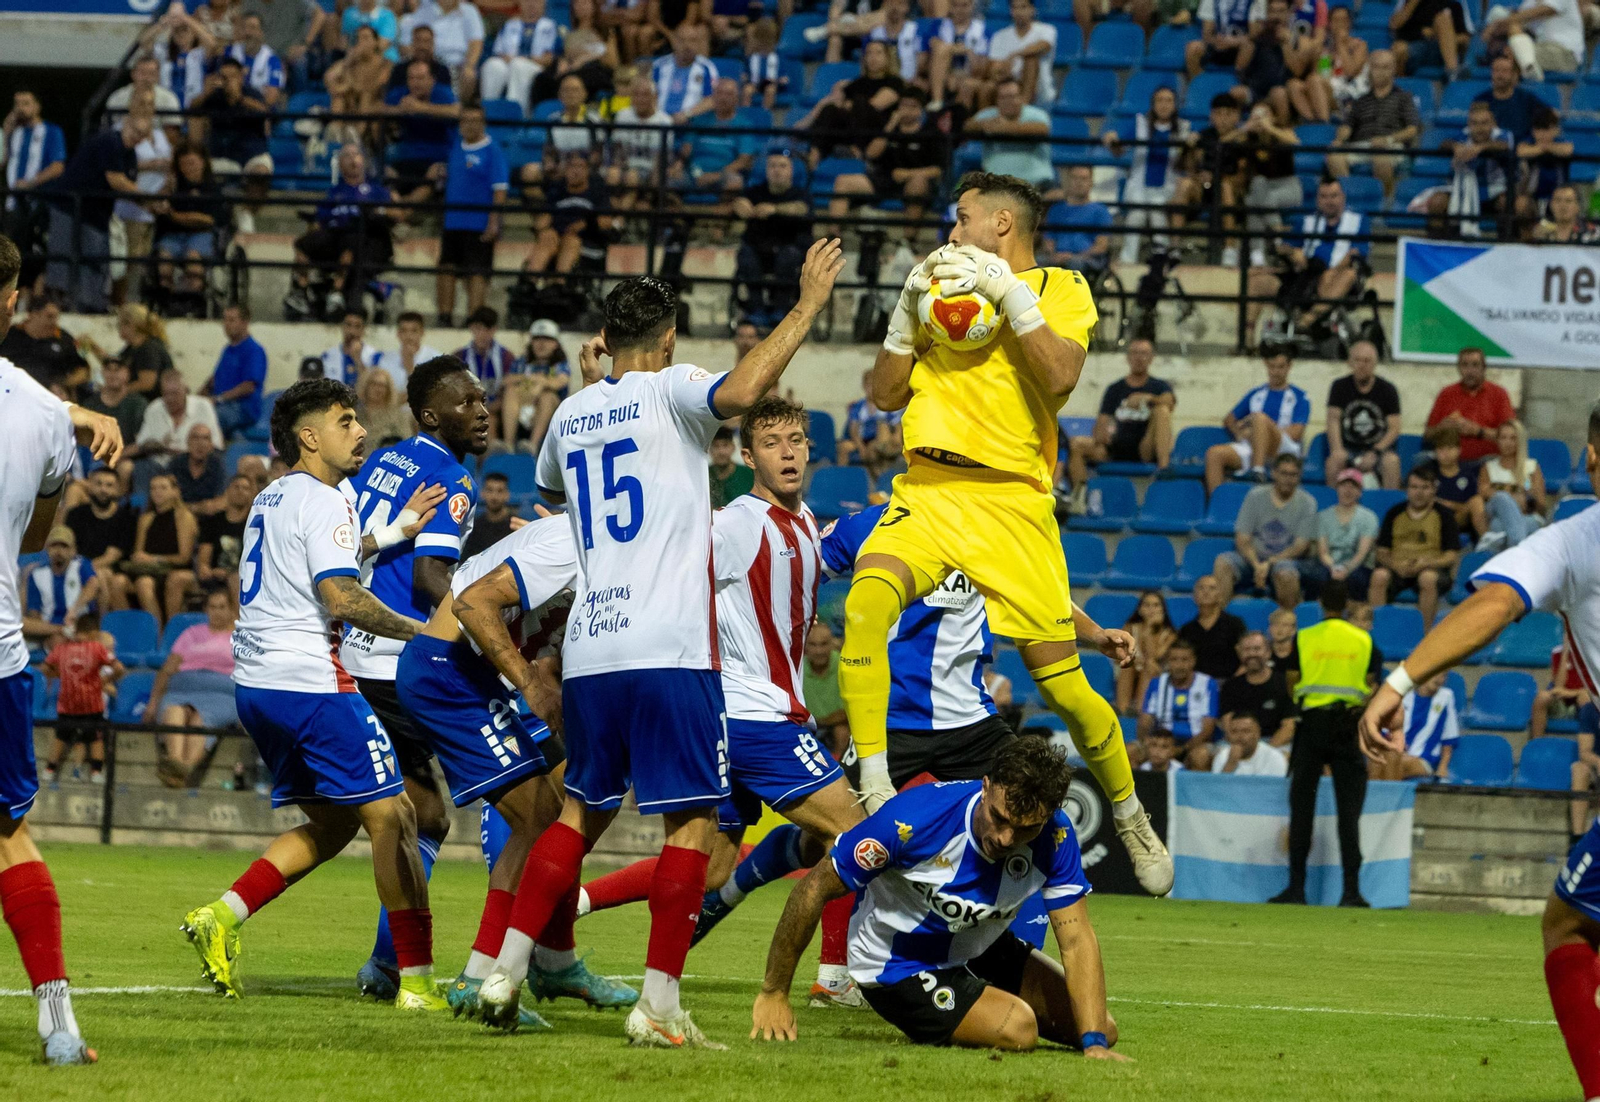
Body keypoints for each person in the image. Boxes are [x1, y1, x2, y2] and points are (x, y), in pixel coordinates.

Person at [470, 248, 844, 1045]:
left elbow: (551, 496)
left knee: (576, 812)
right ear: (669, 342)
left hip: (592, 644)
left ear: (605, 338)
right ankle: (660, 1007)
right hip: (671, 644)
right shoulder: (674, 390)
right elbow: (742, 393)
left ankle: (502, 971)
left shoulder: (571, 413)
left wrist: (595, 391)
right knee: (691, 829)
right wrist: (808, 303)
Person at [846, 172, 1169, 896]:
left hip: (1011, 501)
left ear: (1000, 225)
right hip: (929, 489)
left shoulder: (1064, 287)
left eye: (961, 220)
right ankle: (872, 782)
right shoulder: (938, 290)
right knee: (866, 609)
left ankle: (1127, 811)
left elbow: (1058, 379)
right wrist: (905, 312)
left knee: (1066, 690)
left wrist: (1007, 291)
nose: (950, 233)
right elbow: (884, 394)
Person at [566, 396, 868, 1007]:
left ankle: (571, 905)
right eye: (772, 442)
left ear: (811, 449)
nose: (787, 452)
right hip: (757, 718)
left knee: (708, 867)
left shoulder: (806, 523)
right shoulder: (737, 524)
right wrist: (575, 546)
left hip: (734, 719)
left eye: (797, 440)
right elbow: (662, 557)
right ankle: (837, 978)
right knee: (859, 836)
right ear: (748, 454)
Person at [1356, 409, 1600, 1102]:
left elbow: (1496, 603)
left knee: (1569, 926)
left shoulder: (1576, 541)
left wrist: (1398, 683)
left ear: (1588, 460)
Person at [180, 378, 445, 1008]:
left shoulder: (273, 497)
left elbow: (328, 554)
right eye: (346, 421)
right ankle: (415, 981)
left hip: (258, 686)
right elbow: (342, 596)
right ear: (309, 437)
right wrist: (423, 634)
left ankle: (222, 915)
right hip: (311, 682)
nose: (359, 432)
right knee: (399, 816)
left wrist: (396, 532)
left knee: (332, 824)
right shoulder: (329, 499)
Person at [396, 506, 635, 1027]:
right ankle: (484, 977)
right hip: (447, 674)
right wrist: (531, 687)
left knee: (554, 815)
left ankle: (546, 962)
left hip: (464, 676)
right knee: (542, 822)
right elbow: (472, 602)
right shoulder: (572, 547)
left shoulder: (593, 548)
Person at [749, 736, 1126, 1058]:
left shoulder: (1055, 837)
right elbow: (813, 887)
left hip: (978, 944)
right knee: (1018, 1028)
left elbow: (1076, 939)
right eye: (999, 818)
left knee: (1100, 1027)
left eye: (1026, 829)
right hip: (898, 964)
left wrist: (1093, 1045)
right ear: (985, 785)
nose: (1005, 839)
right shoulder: (912, 821)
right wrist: (774, 992)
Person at [0, 231, 123, 1066]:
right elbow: (37, 538)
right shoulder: (44, 415)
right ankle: (57, 1021)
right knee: (10, 833)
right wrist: (72, 412)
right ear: (12, 300)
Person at [340, 356, 490, 1001]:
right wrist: (489, 617)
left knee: (416, 814)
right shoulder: (453, 478)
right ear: (432, 415)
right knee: (423, 818)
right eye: (467, 403)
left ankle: (387, 964)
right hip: (394, 661)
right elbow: (432, 581)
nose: (482, 411)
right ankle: (397, 965)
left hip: (355, 650)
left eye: (484, 399)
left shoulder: (385, 458)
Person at [1271, 578, 1380, 907]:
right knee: (1350, 813)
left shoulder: (1304, 638)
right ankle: (1351, 891)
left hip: (1312, 726)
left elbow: (1291, 680)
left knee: (1301, 809)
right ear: (1347, 604)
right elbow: (1372, 684)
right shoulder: (1363, 639)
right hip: (1348, 727)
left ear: (1319, 603)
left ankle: (1296, 889)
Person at [41, 109, 148, 314]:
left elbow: (129, 188)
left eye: (142, 133)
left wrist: (151, 203)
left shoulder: (128, 154)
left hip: (95, 214)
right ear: (125, 123)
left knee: (94, 260)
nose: (137, 135)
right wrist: (150, 201)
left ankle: (88, 305)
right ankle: (60, 304)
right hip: (69, 207)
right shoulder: (109, 141)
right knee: (64, 258)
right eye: (135, 129)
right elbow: (116, 180)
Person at [286, 145, 396, 321]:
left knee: (351, 238)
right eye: (347, 156)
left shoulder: (376, 190)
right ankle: (301, 291)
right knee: (302, 245)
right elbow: (319, 221)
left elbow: (397, 213)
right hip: (332, 235)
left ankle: (336, 292)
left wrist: (378, 212)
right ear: (340, 164)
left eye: (356, 155)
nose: (353, 160)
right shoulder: (334, 193)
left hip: (363, 238)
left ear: (363, 161)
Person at [1063, 338, 1174, 510]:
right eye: (1135, 353)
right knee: (1075, 444)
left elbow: (1170, 402)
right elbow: (1102, 422)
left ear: (1151, 358)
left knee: (1162, 411)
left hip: (1144, 447)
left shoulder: (1158, 386)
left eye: (1144, 353)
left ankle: (1164, 472)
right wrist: (1102, 433)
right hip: (1115, 446)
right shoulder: (1115, 389)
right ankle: (1083, 497)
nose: (1139, 358)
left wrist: (1147, 398)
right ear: (1128, 358)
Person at [145, 586, 239, 787]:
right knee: (174, 711)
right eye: (212, 607)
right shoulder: (191, 633)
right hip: (181, 689)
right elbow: (166, 670)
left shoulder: (240, 637)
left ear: (232, 609)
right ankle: (178, 766)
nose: (217, 611)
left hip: (220, 694)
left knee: (199, 719)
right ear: (206, 610)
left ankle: (179, 770)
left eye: (222, 607)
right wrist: (153, 703)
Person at [435, 104, 508, 327]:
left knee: (477, 273)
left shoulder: (493, 151)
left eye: (475, 120)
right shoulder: (455, 147)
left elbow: (500, 189)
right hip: (453, 221)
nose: (469, 125)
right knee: (446, 267)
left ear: (483, 123)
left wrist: (493, 222)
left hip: (479, 222)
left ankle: (473, 320)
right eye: (465, 120)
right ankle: (445, 317)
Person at [1214, 453, 1319, 607]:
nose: (1288, 479)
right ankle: (1221, 620)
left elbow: (1300, 547)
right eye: (1283, 473)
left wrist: (1269, 563)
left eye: (1293, 475)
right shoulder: (1255, 496)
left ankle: (1289, 623)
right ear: (1274, 473)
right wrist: (1257, 565)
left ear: (1299, 477)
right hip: (1252, 559)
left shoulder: (1308, 503)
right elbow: (1242, 539)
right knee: (1223, 563)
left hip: (1285, 561)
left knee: (1286, 574)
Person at [1204, 347, 1311, 492]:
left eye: (1281, 367)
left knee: (1259, 418)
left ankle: (1257, 471)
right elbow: (1229, 419)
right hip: (1253, 446)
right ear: (1266, 365)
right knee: (1214, 454)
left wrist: (1259, 431)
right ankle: (1217, 506)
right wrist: (1239, 433)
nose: (1276, 372)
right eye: (1272, 367)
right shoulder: (1256, 394)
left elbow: (1296, 432)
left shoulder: (1299, 396)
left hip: (1283, 449)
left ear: (1289, 367)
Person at [1103, 86, 1190, 263]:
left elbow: (1186, 165)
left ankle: (1161, 259)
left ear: (1175, 105)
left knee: (1158, 215)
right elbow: (1119, 150)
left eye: (1168, 101)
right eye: (1160, 100)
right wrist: (1111, 141)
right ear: (1153, 104)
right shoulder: (1140, 124)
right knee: (1136, 216)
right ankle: (1128, 261)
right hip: (1139, 188)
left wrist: (1189, 146)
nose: (1164, 105)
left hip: (1167, 189)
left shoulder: (1183, 128)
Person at [1370, 463, 1461, 627]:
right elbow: (1382, 552)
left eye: (1425, 487)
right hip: (1398, 567)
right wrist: (1395, 565)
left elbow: (1451, 556)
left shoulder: (1444, 515)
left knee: (1427, 578)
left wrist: (1427, 563)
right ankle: (1378, 631)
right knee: (1379, 576)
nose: (1419, 492)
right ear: (1407, 490)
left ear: (1434, 490)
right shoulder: (1394, 513)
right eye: (1414, 487)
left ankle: (1423, 634)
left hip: (1431, 567)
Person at [189, 58, 274, 233]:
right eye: (224, 77)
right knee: (201, 171)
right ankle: (214, 218)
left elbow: (265, 112)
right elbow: (192, 110)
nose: (228, 81)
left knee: (261, 172)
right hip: (221, 153)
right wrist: (206, 92)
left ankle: (247, 212)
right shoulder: (215, 96)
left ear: (241, 77)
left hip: (251, 151)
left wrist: (240, 99)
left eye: (232, 76)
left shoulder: (251, 93)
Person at [39, 611, 121, 785]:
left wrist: (60, 674)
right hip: (91, 704)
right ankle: (96, 772)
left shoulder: (61, 649)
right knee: (95, 739)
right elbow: (119, 668)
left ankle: (49, 770)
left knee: (60, 737)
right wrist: (105, 680)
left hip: (67, 704)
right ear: (93, 632)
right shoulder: (97, 648)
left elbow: (44, 668)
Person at [1325, 50, 1418, 200]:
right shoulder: (1360, 101)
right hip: (1362, 144)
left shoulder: (1404, 98)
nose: (1380, 72)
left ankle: (1385, 204)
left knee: (1381, 157)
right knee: (1334, 156)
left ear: (1393, 70)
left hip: (1390, 146)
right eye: (1376, 67)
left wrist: (1388, 140)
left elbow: (1412, 129)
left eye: (1385, 67)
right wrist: (1340, 140)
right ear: (1370, 70)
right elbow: (1347, 126)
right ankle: (1349, 201)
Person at [732, 151, 811, 326]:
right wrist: (740, 205)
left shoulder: (800, 193)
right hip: (759, 249)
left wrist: (774, 209)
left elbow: (801, 208)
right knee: (745, 255)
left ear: (791, 170)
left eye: (782, 166)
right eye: (772, 166)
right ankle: (756, 308)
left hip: (789, 249)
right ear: (766, 170)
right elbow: (739, 203)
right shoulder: (755, 191)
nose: (777, 170)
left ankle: (781, 309)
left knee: (789, 256)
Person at [383, 59, 461, 214]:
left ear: (431, 80)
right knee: (384, 173)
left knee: (435, 174)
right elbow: (377, 108)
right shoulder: (401, 93)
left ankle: (402, 212)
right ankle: (400, 212)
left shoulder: (442, 92)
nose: (415, 83)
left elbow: (457, 112)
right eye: (411, 78)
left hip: (437, 159)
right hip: (404, 158)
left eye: (420, 78)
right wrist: (400, 110)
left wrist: (421, 108)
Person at [3, 90, 66, 279]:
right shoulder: (15, 132)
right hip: (13, 204)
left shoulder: (51, 131)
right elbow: (4, 162)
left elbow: (58, 166)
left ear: (37, 106)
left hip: (39, 204)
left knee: (36, 253)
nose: (20, 108)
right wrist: (6, 135)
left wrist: (31, 183)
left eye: (26, 103)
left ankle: (34, 294)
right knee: (10, 252)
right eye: (17, 104)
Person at [153, 142, 225, 301]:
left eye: (192, 163)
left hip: (201, 235)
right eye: (183, 164)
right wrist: (166, 189)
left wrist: (176, 216)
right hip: (174, 234)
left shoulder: (212, 188)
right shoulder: (174, 186)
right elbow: (158, 209)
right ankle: (165, 293)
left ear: (203, 162)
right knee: (165, 256)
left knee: (193, 255)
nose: (188, 168)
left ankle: (193, 294)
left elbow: (208, 220)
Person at [123, 471, 197, 625]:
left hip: (173, 569)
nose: (157, 492)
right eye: (153, 488)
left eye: (163, 488)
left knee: (147, 583)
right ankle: (134, 630)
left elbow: (184, 557)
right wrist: (139, 558)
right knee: (119, 582)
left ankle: (163, 632)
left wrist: (154, 559)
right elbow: (139, 551)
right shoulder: (146, 518)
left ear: (175, 491)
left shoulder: (184, 517)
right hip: (148, 570)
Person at [1325, 340, 1401, 488]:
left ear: (1375, 364)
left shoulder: (1388, 390)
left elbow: (1394, 428)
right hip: (1348, 448)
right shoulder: (1339, 387)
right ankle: (1333, 507)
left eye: (1367, 361)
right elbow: (1333, 420)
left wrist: (1375, 452)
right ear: (1350, 362)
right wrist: (1337, 450)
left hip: (1378, 449)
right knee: (1334, 460)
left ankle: (1389, 508)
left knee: (1391, 462)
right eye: (1357, 360)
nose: (1362, 365)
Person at [1138, 639, 1219, 770]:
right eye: (1174, 660)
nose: (1179, 665)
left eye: (1184, 660)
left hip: (1195, 744)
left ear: (1193, 661)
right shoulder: (1157, 684)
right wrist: (1148, 744)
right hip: (1161, 742)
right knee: (1130, 752)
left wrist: (1181, 749)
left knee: (1200, 756)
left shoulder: (1207, 684)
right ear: (1168, 662)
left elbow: (1207, 729)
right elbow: (1144, 721)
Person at [1426, 347, 1514, 465]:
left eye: (1475, 365)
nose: (1470, 371)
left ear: (1484, 368)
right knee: (1422, 460)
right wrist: (1441, 428)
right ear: (1459, 368)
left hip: (1486, 460)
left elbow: (1512, 437)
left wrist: (1478, 431)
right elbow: (1427, 434)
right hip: (1450, 461)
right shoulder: (1446, 393)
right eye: (1465, 365)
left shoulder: (1499, 394)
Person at [65, 467, 136, 611]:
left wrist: (86, 569)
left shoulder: (126, 518)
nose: (103, 489)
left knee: (103, 574)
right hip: (77, 566)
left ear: (117, 490)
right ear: (90, 486)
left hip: (113, 570)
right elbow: (69, 547)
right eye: (98, 484)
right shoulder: (75, 515)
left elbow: (112, 556)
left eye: (109, 485)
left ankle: (102, 624)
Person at [966, 78, 1055, 194]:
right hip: (996, 187)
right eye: (1003, 97)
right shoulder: (989, 115)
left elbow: (1042, 129)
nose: (1008, 101)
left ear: (1022, 97)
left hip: (1035, 186)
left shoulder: (1037, 115)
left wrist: (1001, 127)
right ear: (996, 100)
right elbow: (967, 126)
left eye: (1013, 96)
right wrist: (984, 125)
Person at [1368, 670, 1458, 780]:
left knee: (1393, 759)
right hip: (1397, 752)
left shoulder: (1446, 697)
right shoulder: (1404, 695)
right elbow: (1385, 731)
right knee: (1376, 761)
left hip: (1424, 759)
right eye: (1436, 674)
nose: (1439, 679)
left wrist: (1443, 767)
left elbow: (1449, 738)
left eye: (1443, 675)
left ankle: (1386, 795)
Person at [1476, 419, 1547, 551]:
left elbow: (1542, 507)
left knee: (1498, 528)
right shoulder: (1488, 467)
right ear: (1497, 440)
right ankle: (1519, 549)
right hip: (1496, 512)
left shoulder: (1531, 467)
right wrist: (1513, 499)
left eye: (1513, 438)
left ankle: (1512, 548)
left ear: (1519, 440)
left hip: (1528, 516)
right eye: (1503, 438)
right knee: (1501, 497)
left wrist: (1529, 499)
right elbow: (1483, 495)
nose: (1508, 443)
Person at [22, 528, 101, 646]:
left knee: (106, 639)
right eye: (54, 546)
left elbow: (93, 584)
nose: (58, 551)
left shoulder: (81, 565)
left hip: (80, 626)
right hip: (52, 628)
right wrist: (55, 630)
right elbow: (34, 613)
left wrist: (74, 610)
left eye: (64, 546)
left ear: (73, 550)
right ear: (47, 550)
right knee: (23, 623)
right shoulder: (37, 574)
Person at [500, 319, 569, 453]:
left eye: (547, 339)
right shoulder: (522, 362)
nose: (541, 344)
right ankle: (508, 445)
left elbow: (561, 381)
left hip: (547, 414)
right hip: (522, 406)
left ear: (556, 344)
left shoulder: (559, 364)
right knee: (510, 391)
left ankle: (532, 445)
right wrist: (530, 379)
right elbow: (505, 381)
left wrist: (542, 382)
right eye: (537, 339)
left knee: (548, 396)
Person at [480, 0, 561, 110]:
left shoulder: (550, 26)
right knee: (492, 65)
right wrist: (509, 59)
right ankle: (487, 111)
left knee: (518, 65)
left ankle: (516, 115)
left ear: (543, 4)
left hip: (535, 66)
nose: (531, 4)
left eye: (536, 2)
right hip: (509, 62)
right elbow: (498, 52)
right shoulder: (510, 24)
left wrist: (525, 59)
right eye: (527, 1)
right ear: (520, 4)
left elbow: (549, 59)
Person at [1220, 631, 1296, 747]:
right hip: (1239, 743)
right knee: (1201, 755)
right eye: (1246, 650)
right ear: (1240, 654)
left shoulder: (1285, 683)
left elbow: (1289, 726)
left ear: (1268, 652)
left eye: (1256, 649)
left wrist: (1264, 753)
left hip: (1276, 743)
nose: (1252, 654)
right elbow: (1228, 726)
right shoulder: (1230, 686)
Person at [203, 304, 268, 440]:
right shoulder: (228, 350)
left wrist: (218, 399)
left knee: (212, 417)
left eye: (232, 320)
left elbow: (249, 386)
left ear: (245, 322)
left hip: (243, 408)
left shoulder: (254, 350)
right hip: (223, 405)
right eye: (225, 320)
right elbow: (214, 380)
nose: (226, 324)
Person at [399, 0, 486, 95]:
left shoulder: (470, 11)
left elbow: (476, 43)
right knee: (418, 71)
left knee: (469, 74)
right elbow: (406, 43)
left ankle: (457, 106)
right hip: (431, 62)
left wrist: (469, 66)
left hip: (458, 64)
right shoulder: (424, 11)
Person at [1039, 165, 1113, 276]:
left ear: (1091, 182)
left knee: (1074, 264)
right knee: (1037, 263)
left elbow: (1101, 246)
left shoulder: (1100, 211)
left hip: (1086, 259)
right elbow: (1048, 241)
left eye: (1083, 179)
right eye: (1075, 178)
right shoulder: (1056, 210)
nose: (1079, 183)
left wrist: (1074, 256)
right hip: (1057, 257)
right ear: (1067, 182)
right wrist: (1054, 255)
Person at [1317, 468, 1379, 596]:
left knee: (1354, 578)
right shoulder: (1323, 516)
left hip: (1357, 567)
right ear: (1337, 488)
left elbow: (1362, 553)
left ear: (1360, 492)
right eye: (1344, 485)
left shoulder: (1369, 517)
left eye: (1353, 487)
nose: (1348, 490)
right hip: (1329, 566)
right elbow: (1323, 552)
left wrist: (1346, 569)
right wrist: (1334, 567)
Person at [192, 473, 253, 599]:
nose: (240, 491)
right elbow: (203, 561)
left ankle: (236, 618)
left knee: (235, 579)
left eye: (245, 488)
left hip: (245, 578)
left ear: (251, 494)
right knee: (178, 579)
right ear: (227, 491)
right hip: (214, 577)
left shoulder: (255, 524)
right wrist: (206, 569)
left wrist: (230, 573)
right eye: (236, 487)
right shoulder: (212, 522)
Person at [988, 0, 1058, 108]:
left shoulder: (1047, 30)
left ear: (1032, 10)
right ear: (1011, 11)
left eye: (1023, 7)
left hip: (1039, 89)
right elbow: (994, 67)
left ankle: (1023, 106)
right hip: (1008, 84)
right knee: (987, 85)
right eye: (1015, 8)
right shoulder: (999, 36)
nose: (1019, 12)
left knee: (1030, 59)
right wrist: (1003, 69)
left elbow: (1044, 46)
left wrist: (1015, 54)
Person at [1118, 590, 1177, 717]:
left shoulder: (1170, 634)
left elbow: (1154, 657)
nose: (1151, 609)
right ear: (1140, 609)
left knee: (1148, 667)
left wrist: (1149, 630)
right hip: (1132, 672)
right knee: (1127, 667)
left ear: (1163, 610)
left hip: (1159, 675)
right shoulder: (1130, 628)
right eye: (1147, 605)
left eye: (1156, 605)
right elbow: (1120, 655)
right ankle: (1123, 710)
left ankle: (1141, 711)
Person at [1180, 573, 1248, 681]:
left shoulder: (1234, 624)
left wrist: (1232, 684)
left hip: (1229, 684)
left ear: (1220, 595)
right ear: (1194, 596)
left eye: (1212, 588)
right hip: (1195, 686)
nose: (1206, 592)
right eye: (1201, 588)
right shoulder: (1187, 630)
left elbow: (1246, 659)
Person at [651, 22, 718, 122]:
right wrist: (658, 116)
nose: (687, 45)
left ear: (698, 44)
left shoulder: (707, 68)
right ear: (674, 42)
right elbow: (649, 94)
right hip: (658, 123)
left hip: (690, 123)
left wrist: (687, 114)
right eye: (682, 40)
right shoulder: (659, 66)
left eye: (692, 41)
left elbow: (711, 99)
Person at [1475, 54, 1547, 144]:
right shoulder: (1481, 100)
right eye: (1496, 70)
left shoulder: (1527, 98)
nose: (1500, 75)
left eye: (1504, 71)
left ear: (1513, 75)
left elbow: (1549, 117)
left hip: (1522, 149)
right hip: (1491, 149)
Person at [456, 306, 517, 407]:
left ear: (495, 329)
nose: (482, 334)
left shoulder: (506, 357)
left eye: (487, 329)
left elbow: (509, 388)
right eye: (478, 328)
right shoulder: (459, 356)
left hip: (496, 408)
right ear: (471, 328)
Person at [1187, 0, 1266, 77]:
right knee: (1193, 47)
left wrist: (1234, 41)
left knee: (1249, 46)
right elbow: (1207, 34)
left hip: (1241, 44)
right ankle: (1198, 83)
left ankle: (1237, 81)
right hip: (1218, 42)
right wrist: (1218, 41)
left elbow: (1254, 33)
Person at [225, 13, 288, 109]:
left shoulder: (272, 60)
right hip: (229, 108)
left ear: (261, 32)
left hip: (256, 113)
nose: (247, 32)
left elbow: (270, 100)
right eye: (244, 27)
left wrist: (240, 98)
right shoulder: (230, 52)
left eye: (252, 28)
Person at [1389, 0, 1468, 75]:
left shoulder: (1453, 5)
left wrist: (1440, 36)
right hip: (1413, 46)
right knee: (1398, 49)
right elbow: (1394, 25)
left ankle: (1453, 73)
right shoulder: (1407, 3)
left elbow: (1464, 38)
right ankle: (1400, 84)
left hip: (1439, 49)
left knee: (1442, 19)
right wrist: (1412, 3)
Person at [375, 312, 446, 395]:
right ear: (398, 333)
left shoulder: (436, 359)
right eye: (404, 331)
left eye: (414, 331)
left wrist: (410, 369)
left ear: (422, 332)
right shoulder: (386, 359)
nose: (409, 336)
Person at [1533, 642, 1589, 741]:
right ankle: (1536, 744)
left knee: (1585, 697)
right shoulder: (1558, 651)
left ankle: (1589, 747)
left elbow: (1594, 688)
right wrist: (1565, 653)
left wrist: (1571, 693)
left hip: (1585, 700)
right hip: (1562, 699)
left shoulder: (1594, 652)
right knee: (1542, 696)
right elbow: (1558, 686)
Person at [459, 471, 521, 559]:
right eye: (489, 490)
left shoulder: (517, 527)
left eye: (500, 491)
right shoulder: (473, 527)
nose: (494, 496)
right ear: (482, 493)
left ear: (507, 495)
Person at [171, 423, 228, 517]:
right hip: (180, 518)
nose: (200, 443)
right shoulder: (175, 464)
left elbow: (222, 500)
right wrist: (196, 508)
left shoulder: (218, 465)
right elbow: (167, 500)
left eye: (205, 438)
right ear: (187, 442)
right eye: (195, 438)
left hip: (210, 519)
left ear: (211, 445)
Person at [1211, 711, 1289, 775]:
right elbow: (1217, 792)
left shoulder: (1274, 758)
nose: (1239, 737)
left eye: (1246, 731)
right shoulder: (1222, 756)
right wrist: (1230, 764)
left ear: (1258, 733)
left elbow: (1277, 791)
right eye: (1234, 732)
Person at [320, 309, 382, 387]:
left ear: (363, 329)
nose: (352, 331)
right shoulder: (327, 356)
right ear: (342, 326)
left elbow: (373, 388)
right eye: (348, 325)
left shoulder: (374, 356)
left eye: (357, 326)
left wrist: (358, 360)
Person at [355, 368, 414, 448]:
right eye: (374, 384)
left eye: (382, 386)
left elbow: (407, 443)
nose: (378, 389)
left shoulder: (398, 416)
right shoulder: (355, 415)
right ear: (365, 386)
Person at [709, 427, 755, 508]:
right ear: (709, 450)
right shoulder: (703, 475)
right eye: (716, 446)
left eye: (725, 445)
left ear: (733, 447)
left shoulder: (749, 474)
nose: (721, 452)